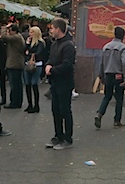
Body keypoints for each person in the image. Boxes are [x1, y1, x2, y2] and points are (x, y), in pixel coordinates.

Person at [44, 19, 76, 150]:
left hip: (65, 82)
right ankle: (58, 135)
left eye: (52, 28)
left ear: (58, 29)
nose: (51, 31)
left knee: (65, 110)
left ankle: (67, 138)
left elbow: (68, 65)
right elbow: (51, 59)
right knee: (55, 110)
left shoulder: (68, 45)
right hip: (55, 82)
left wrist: (52, 70)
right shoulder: (54, 44)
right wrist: (48, 65)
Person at [95, 26, 125, 129]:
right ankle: (117, 120)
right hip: (118, 74)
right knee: (119, 97)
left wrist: (101, 75)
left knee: (107, 95)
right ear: (123, 36)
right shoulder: (123, 47)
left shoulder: (106, 46)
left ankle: (100, 113)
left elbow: (101, 62)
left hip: (107, 74)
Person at [3, 24, 26, 109]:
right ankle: (17, 101)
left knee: (14, 84)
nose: (9, 32)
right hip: (17, 63)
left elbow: (4, 37)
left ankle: (14, 102)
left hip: (14, 63)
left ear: (14, 31)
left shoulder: (16, 37)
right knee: (17, 84)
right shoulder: (19, 37)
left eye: (10, 31)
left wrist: (5, 28)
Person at [24, 26, 46, 113]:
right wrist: (27, 43)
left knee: (34, 84)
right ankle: (29, 104)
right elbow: (24, 51)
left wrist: (29, 54)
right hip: (27, 64)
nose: (30, 34)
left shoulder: (40, 43)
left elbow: (38, 53)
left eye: (32, 32)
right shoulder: (29, 42)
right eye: (30, 32)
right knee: (27, 84)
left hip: (37, 65)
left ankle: (36, 105)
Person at [0, 26, 8, 105]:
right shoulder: (8, 41)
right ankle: (4, 98)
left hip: (0, 62)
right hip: (5, 62)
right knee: (2, 82)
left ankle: (3, 98)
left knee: (0, 82)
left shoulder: (0, 41)